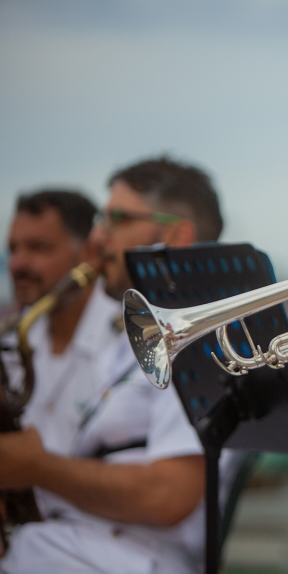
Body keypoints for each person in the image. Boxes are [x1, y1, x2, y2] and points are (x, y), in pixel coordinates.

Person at [0, 156, 224, 574]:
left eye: (115, 220)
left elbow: (168, 496)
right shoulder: (128, 340)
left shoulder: (200, 342)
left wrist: (35, 467)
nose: (97, 239)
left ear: (176, 234)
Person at [4, 189, 113, 457]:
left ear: (88, 253)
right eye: (12, 249)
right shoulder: (10, 342)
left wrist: (37, 469)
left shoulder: (128, 340)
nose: (17, 264)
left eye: (38, 247)